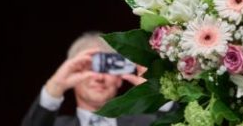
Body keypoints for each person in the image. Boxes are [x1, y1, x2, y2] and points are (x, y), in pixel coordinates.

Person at [21, 32, 156, 126]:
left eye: (107, 68)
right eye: (90, 68)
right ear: (71, 75)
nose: (99, 77)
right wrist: (55, 87)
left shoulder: (147, 123)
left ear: (119, 78)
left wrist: (155, 94)